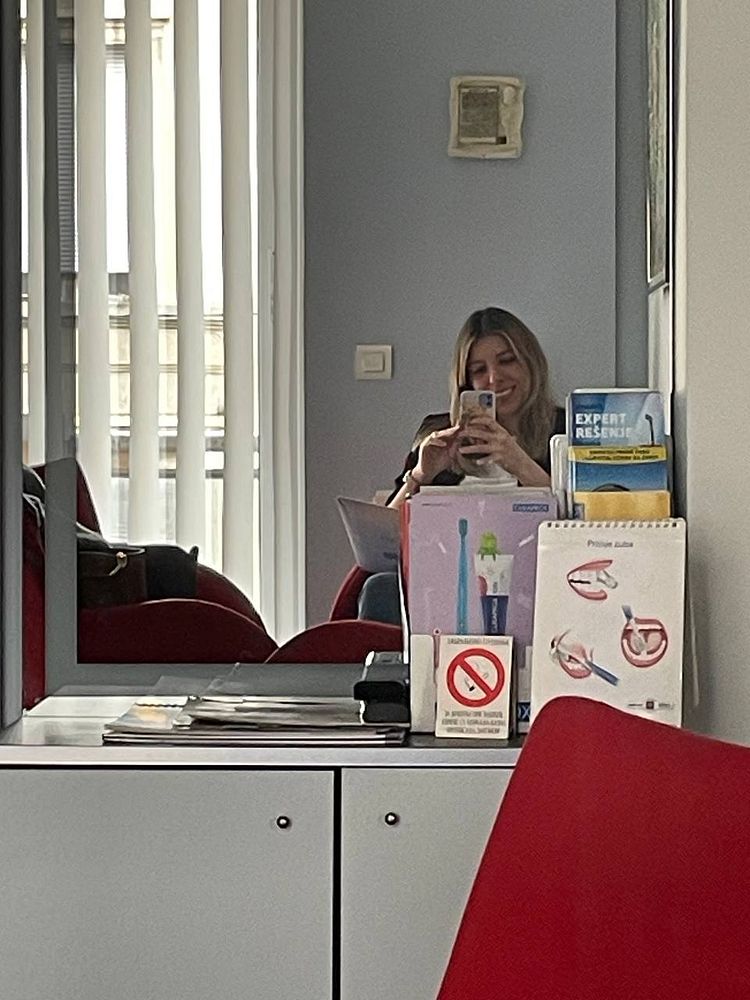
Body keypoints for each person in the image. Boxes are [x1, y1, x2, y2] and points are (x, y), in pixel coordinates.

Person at [386, 306, 565, 508]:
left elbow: (581, 518)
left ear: (531, 363)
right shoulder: (439, 435)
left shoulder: (568, 431)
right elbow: (384, 527)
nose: (494, 378)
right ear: (467, 382)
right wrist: (420, 476)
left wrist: (521, 464)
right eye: (479, 370)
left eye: (506, 361)